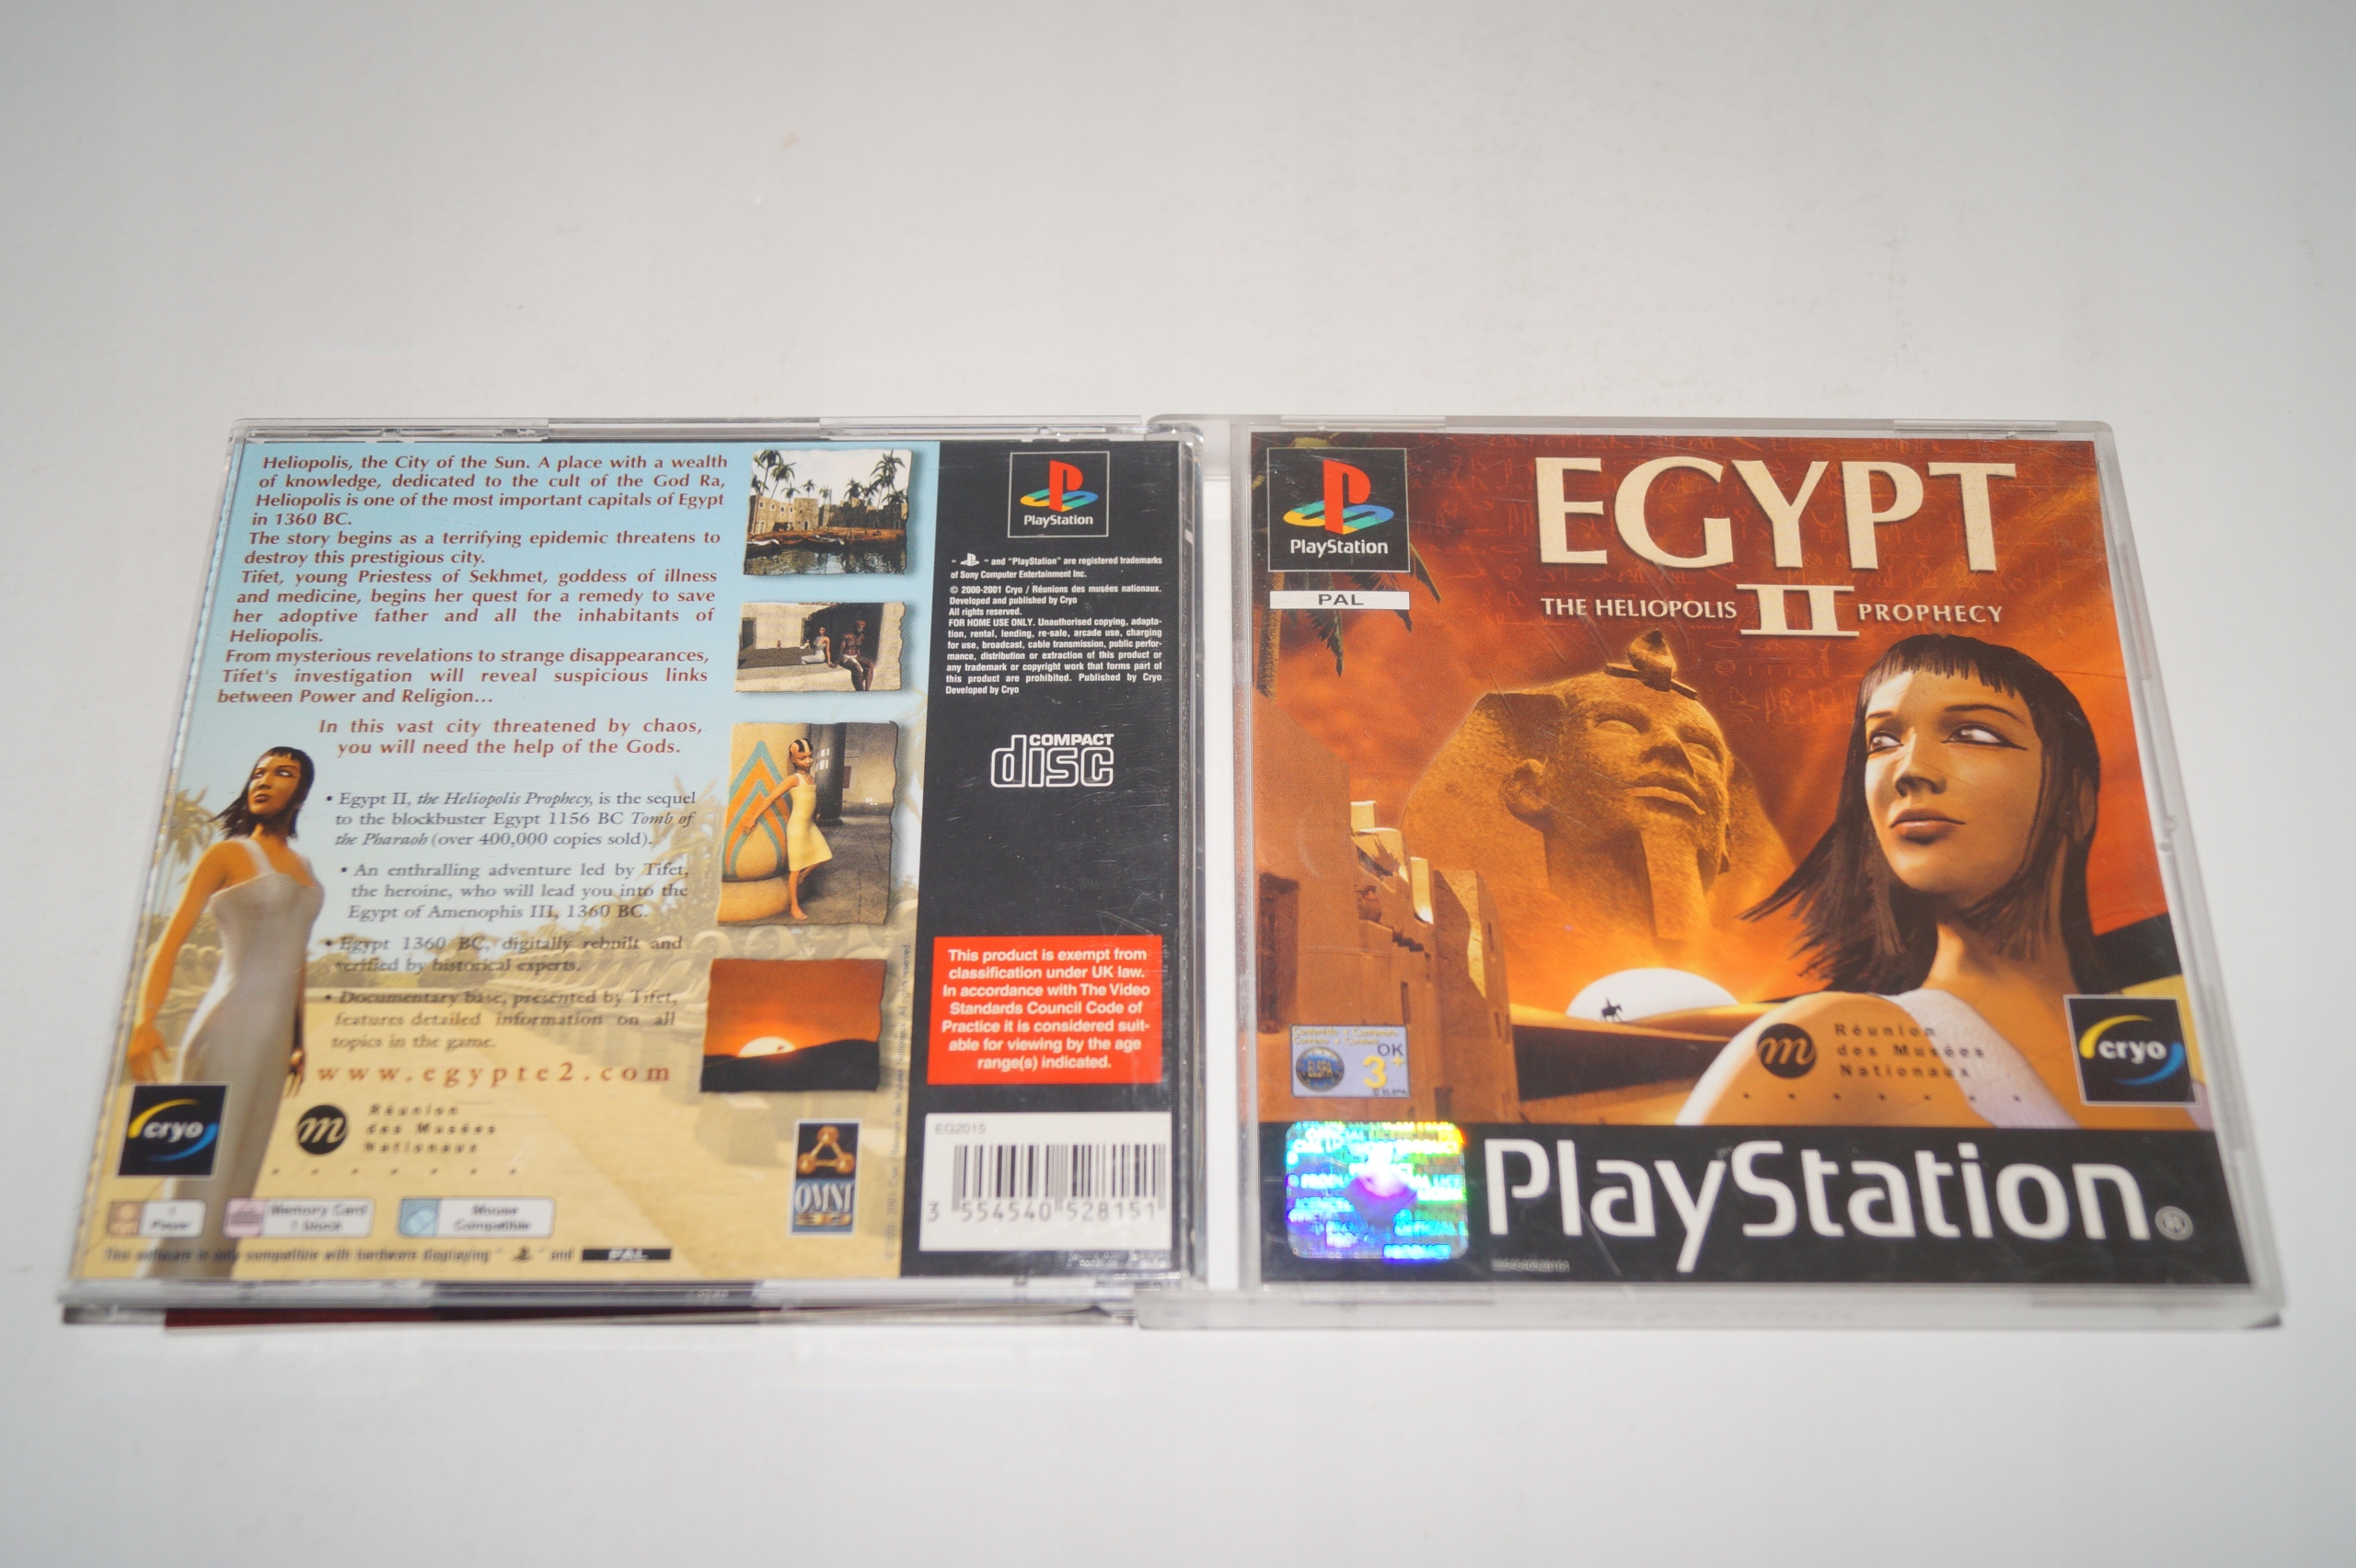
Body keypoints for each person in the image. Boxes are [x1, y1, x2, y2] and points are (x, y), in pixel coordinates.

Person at [1678, 635, 2204, 1130]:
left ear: (2076, 802)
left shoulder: (2178, 1078)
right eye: (1882, 741)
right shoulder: (1825, 1046)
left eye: (1973, 734)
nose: (1910, 770)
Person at [1400, 629, 1794, 1009]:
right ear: (1530, 789)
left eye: (1702, 748)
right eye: (1620, 725)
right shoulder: (1486, 944)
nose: (1672, 749)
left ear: (1726, 835)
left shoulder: (1765, 976)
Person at [132, 748, 324, 1277]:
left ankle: (210, 1284)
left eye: (283, 773)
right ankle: (162, 1288)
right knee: (196, 1173)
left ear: (302, 791)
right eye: (259, 772)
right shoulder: (227, 854)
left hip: (273, 1044)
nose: (265, 780)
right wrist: (145, 1021)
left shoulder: (306, 867)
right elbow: (170, 942)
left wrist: (299, 1038)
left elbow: (296, 960)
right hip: (225, 1029)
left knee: (242, 1176)